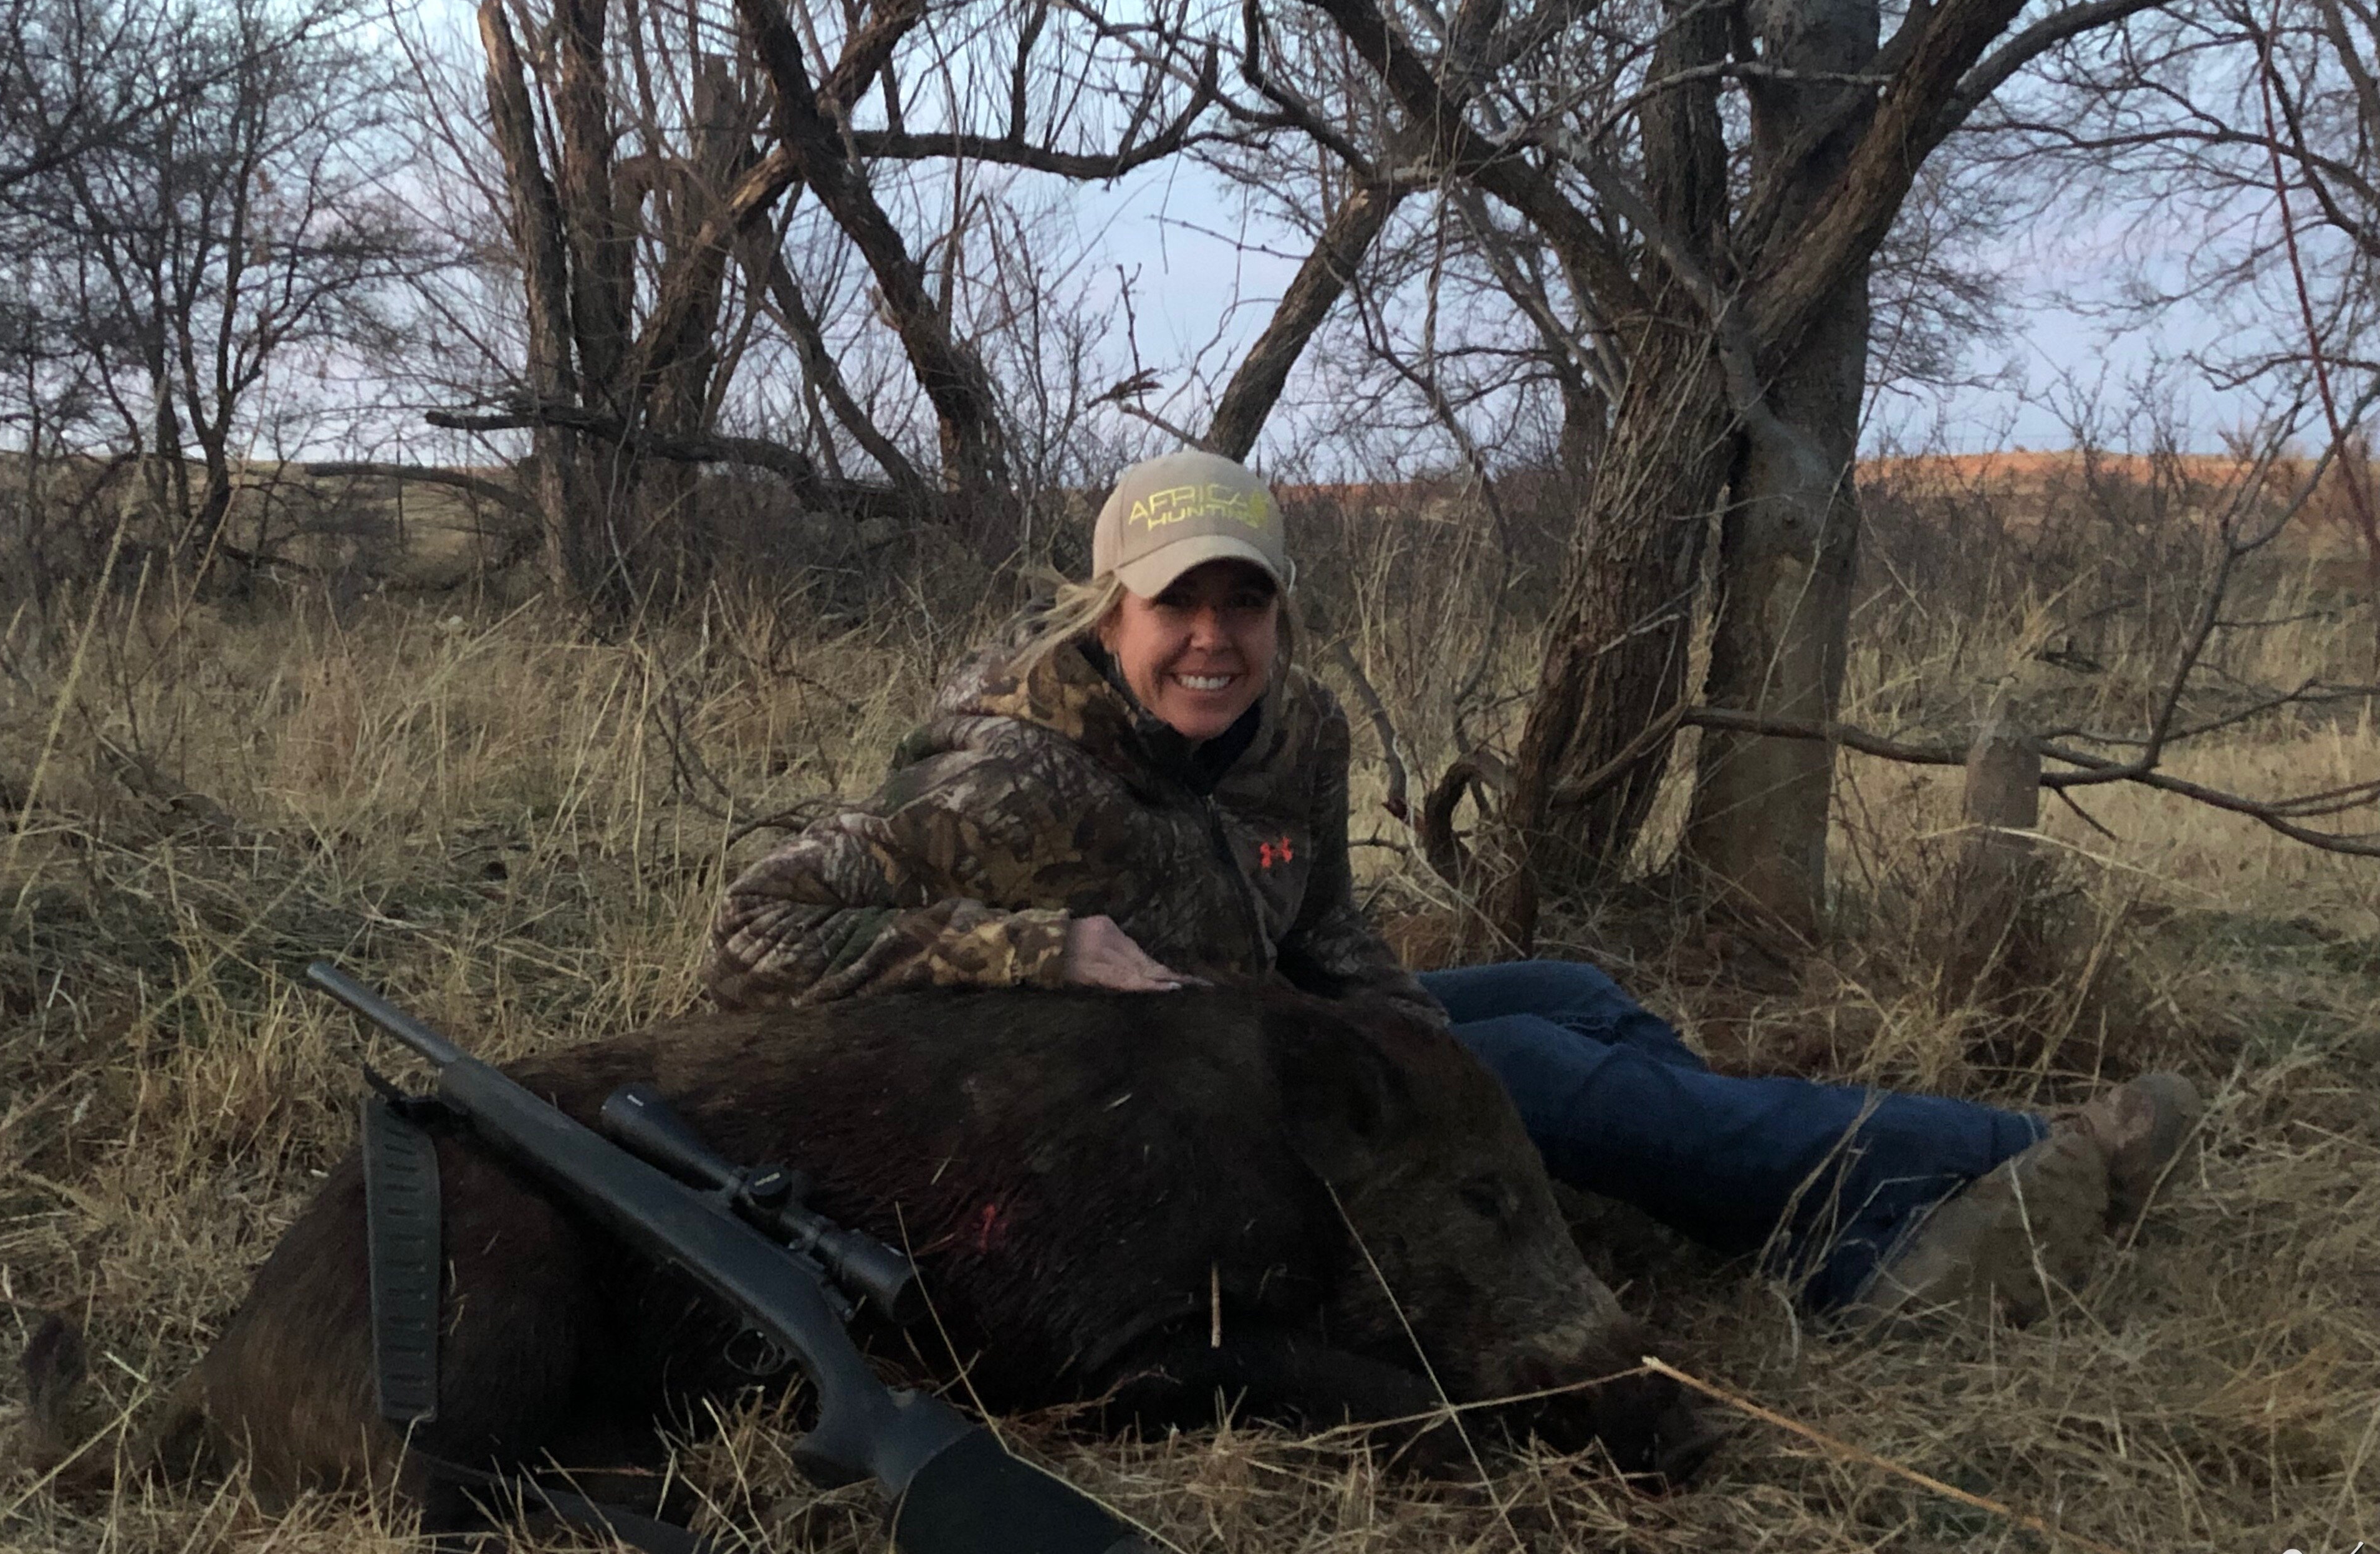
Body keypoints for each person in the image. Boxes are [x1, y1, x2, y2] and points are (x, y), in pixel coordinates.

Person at [708, 450, 2201, 1320]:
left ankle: (1834, 1243)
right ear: (1114, 618)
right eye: (1178, 608)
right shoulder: (1008, 775)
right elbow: (755, 928)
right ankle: (2023, 1151)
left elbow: (1330, 930)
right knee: (1540, 1070)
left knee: (1568, 1001)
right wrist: (1041, 948)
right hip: (1139, 1115)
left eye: (1247, 601)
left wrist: (1404, 1034)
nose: (1213, 640)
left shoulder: (1294, 725)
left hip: (1267, 1033)